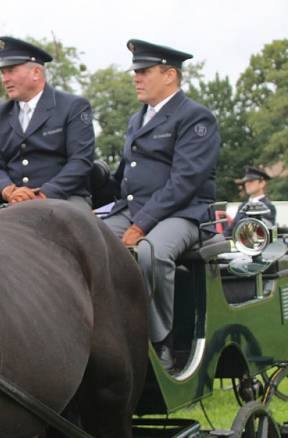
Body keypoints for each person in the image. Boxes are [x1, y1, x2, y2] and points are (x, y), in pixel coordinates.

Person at [101, 39, 220, 372]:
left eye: (144, 71)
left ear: (170, 75)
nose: (136, 78)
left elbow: (185, 182)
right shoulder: (135, 119)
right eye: (136, 72)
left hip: (184, 213)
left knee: (151, 253)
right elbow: (124, 178)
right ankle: (103, 335)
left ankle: (159, 342)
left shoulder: (196, 118)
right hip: (133, 209)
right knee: (87, 245)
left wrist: (140, 226)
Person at [0, 36, 94, 210]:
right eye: (3, 73)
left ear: (36, 72)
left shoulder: (73, 106)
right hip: (13, 203)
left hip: (65, 199)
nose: (5, 79)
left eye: (11, 70)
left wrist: (43, 195)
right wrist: (9, 191)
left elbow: (80, 161)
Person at [225, 166, 277, 236]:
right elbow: (231, 229)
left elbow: (264, 232)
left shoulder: (268, 206)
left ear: (262, 183)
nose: (247, 184)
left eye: (251, 181)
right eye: (246, 181)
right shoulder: (243, 205)